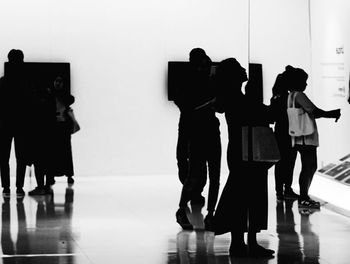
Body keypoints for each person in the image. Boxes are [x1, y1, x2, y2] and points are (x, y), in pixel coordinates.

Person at [212, 58, 275, 258]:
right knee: (249, 196)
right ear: (233, 76)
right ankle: (245, 243)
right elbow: (262, 115)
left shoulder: (233, 97)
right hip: (247, 152)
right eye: (239, 68)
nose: (243, 69)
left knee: (243, 197)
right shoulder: (236, 98)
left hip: (242, 151)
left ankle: (242, 242)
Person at [175, 48, 221, 230]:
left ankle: (207, 212)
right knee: (199, 173)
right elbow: (185, 106)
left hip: (202, 129)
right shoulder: (190, 81)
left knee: (203, 173)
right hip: (199, 130)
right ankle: (205, 212)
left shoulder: (200, 81)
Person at [285, 65, 341, 209]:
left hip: (297, 137)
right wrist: (332, 113)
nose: (306, 84)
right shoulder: (299, 95)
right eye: (304, 81)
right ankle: (304, 197)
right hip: (306, 138)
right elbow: (313, 111)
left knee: (307, 167)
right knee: (309, 167)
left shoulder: (291, 95)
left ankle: (304, 196)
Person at [0, 49, 29, 196]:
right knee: (21, 158)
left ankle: (6, 187)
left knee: (3, 158)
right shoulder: (26, 84)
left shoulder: (2, 82)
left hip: (4, 124)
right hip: (21, 124)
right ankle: (19, 187)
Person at [270, 71, 298, 201]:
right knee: (289, 162)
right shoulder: (289, 97)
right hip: (289, 132)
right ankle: (287, 188)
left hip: (279, 132)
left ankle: (279, 191)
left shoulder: (275, 97)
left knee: (279, 164)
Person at [46, 76, 76, 185]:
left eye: (60, 81)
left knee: (63, 151)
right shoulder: (52, 95)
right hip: (56, 126)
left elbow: (70, 99)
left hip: (61, 126)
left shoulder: (58, 95)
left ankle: (65, 174)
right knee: (57, 151)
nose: (58, 83)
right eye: (56, 81)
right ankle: (60, 175)